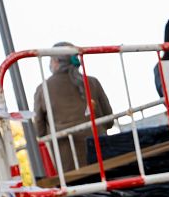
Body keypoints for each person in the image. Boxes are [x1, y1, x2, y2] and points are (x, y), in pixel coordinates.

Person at [33, 41, 112, 173]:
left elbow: (39, 132)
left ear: (55, 61)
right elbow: (109, 120)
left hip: (69, 164)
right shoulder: (92, 82)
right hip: (103, 155)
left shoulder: (43, 90)